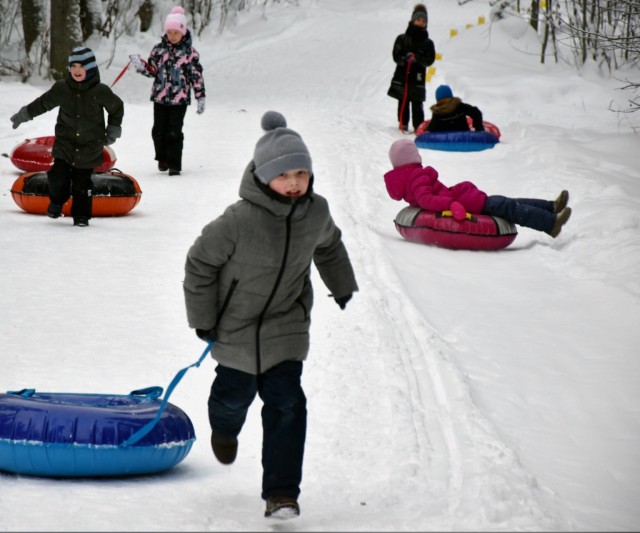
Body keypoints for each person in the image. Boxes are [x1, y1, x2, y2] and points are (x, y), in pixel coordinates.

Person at [183, 111, 358, 520]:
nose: (294, 182)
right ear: (263, 177)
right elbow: (199, 264)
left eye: (302, 172)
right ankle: (224, 429)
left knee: (288, 404)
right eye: (284, 175)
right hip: (235, 328)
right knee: (232, 399)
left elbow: (329, 246)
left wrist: (341, 285)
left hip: (286, 325)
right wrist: (202, 318)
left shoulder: (316, 213)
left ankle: (281, 493)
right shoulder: (238, 220)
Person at [10, 46, 124, 227]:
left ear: (91, 69)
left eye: (82, 66)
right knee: (57, 176)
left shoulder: (100, 91)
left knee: (82, 183)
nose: (77, 70)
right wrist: (25, 114)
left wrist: (113, 128)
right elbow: (43, 103)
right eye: (74, 66)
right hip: (65, 144)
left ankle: (81, 216)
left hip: (89, 146)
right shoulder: (62, 88)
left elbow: (117, 107)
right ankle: (57, 201)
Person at [385, 138, 572, 237]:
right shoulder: (416, 175)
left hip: (464, 199)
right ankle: (551, 223)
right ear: (411, 157)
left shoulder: (409, 177)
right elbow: (426, 199)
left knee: (506, 202)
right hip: (464, 203)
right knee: (508, 206)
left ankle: (550, 207)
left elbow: (424, 197)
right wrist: (451, 205)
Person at [129, 6, 206, 176]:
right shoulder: (158, 50)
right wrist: (140, 65)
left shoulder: (190, 54)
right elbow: (152, 71)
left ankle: (174, 164)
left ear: (183, 32)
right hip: (160, 97)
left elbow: (196, 76)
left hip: (180, 100)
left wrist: (200, 97)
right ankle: (162, 158)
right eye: (169, 32)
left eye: (176, 32)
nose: (172, 36)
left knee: (174, 132)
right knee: (158, 130)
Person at [387, 3, 435, 132]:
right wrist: (405, 59)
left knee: (417, 101)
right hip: (403, 74)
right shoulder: (402, 39)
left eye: (423, 21)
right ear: (413, 20)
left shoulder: (428, 43)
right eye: (418, 20)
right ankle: (403, 123)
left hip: (418, 76)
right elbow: (396, 55)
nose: (420, 23)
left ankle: (418, 125)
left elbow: (430, 60)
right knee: (403, 99)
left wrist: (418, 59)